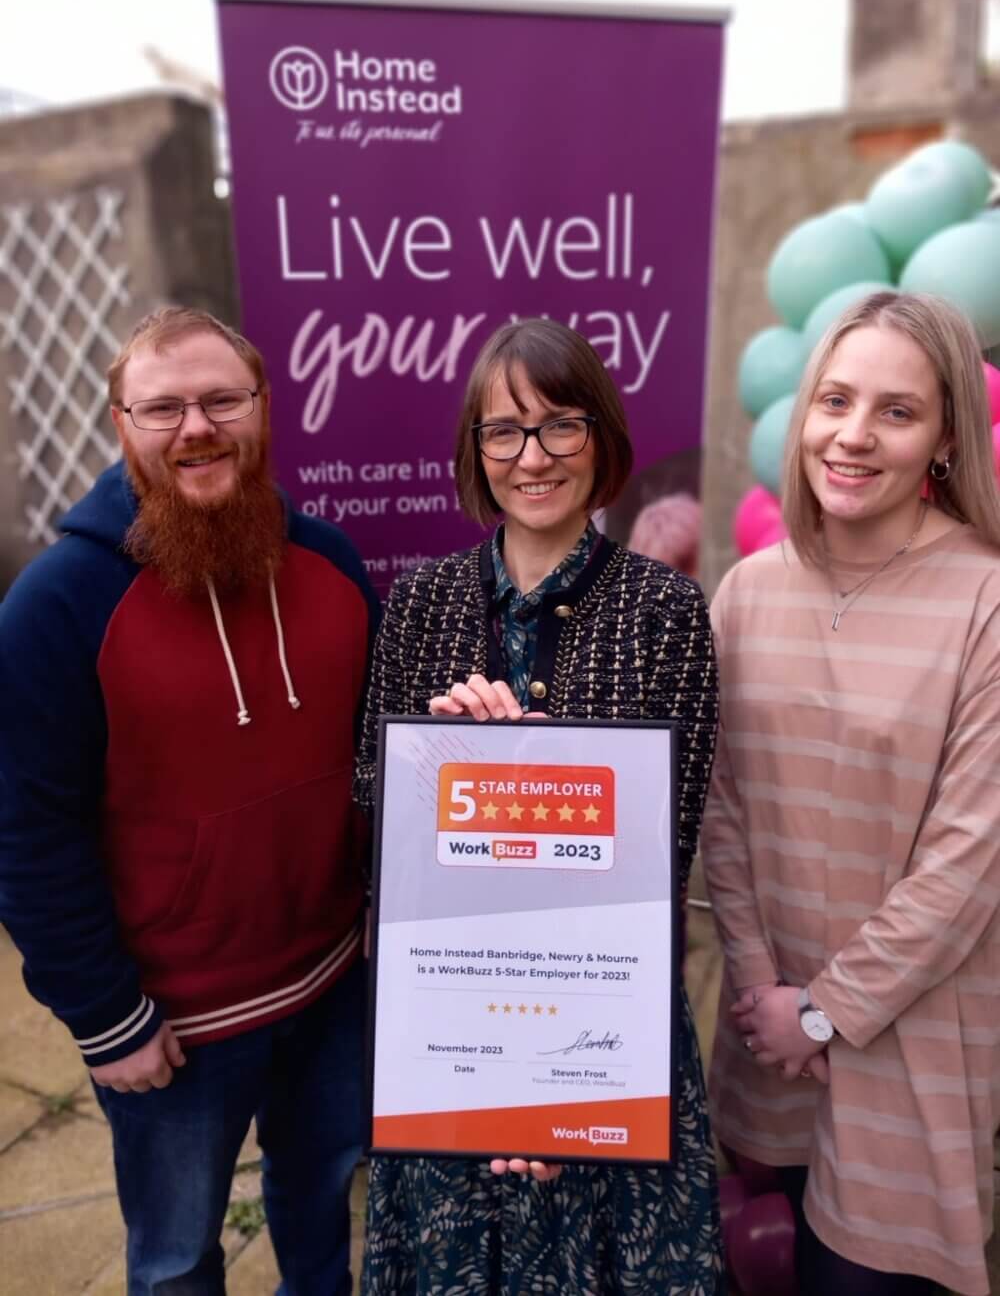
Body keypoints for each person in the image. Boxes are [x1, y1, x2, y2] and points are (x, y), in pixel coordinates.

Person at [0, 308, 380, 1295]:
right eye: (162, 407)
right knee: (174, 1258)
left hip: (334, 984)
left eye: (221, 399)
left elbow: (379, 766)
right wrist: (103, 1016)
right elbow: (25, 833)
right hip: (169, 1023)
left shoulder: (333, 564)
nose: (195, 427)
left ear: (263, 409)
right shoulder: (56, 607)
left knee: (322, 1215)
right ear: (122, 424)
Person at [354, 318, 724, 1294]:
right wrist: (449, 756)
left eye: (560, 425)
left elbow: (662, 858)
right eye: (504, 430)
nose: (533, 456)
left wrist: (565, 1099)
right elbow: (375, 817)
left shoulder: (663, 609)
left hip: (605, 1038)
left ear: (600, 438)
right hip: (453, 1040)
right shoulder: (420, 605)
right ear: (475, 450)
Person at [702, 291, 1000, 1296]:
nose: (853, 436)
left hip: (908, 1047)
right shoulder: (745, 592)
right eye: (834, 400)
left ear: (947, 436)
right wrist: (761, 997)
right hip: (765, 1036)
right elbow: (724, 813)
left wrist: (824, 1013)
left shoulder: (984, 601)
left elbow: (967, 863)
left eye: (896, 411)